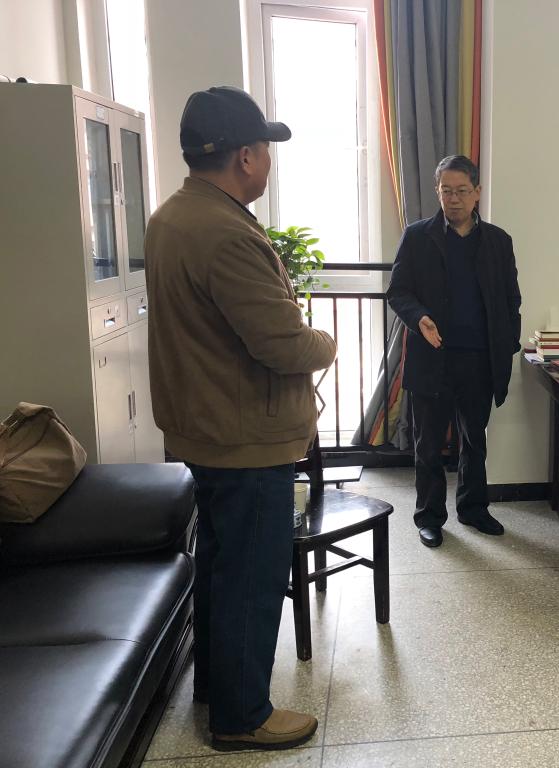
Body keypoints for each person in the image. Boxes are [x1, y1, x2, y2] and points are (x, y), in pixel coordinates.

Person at [145, 86, 337, 751]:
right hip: (245, 437)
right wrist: (325, 344)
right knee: (253, 577)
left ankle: (215, 688)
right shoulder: (226, 233)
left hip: (206, 428)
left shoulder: (173, 216)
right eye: (265, 150)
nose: (268, 163)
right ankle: (242, 715)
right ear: (246, 156)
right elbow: (282, 344)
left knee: (221, 567)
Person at [387, 155, 522, 549]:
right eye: (446, 191)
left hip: (479, 359)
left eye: (462, 191)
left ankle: (473, 508)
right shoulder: (417, 237)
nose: (454, 199)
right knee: (428, 444)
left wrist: (509, 342)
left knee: (474, 439)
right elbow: (398, 291)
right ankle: (429, 516)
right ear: (437, 191)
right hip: (433, 358)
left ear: (477, 192)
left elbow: (511, 300)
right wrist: (419, 318)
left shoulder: (498, 241)